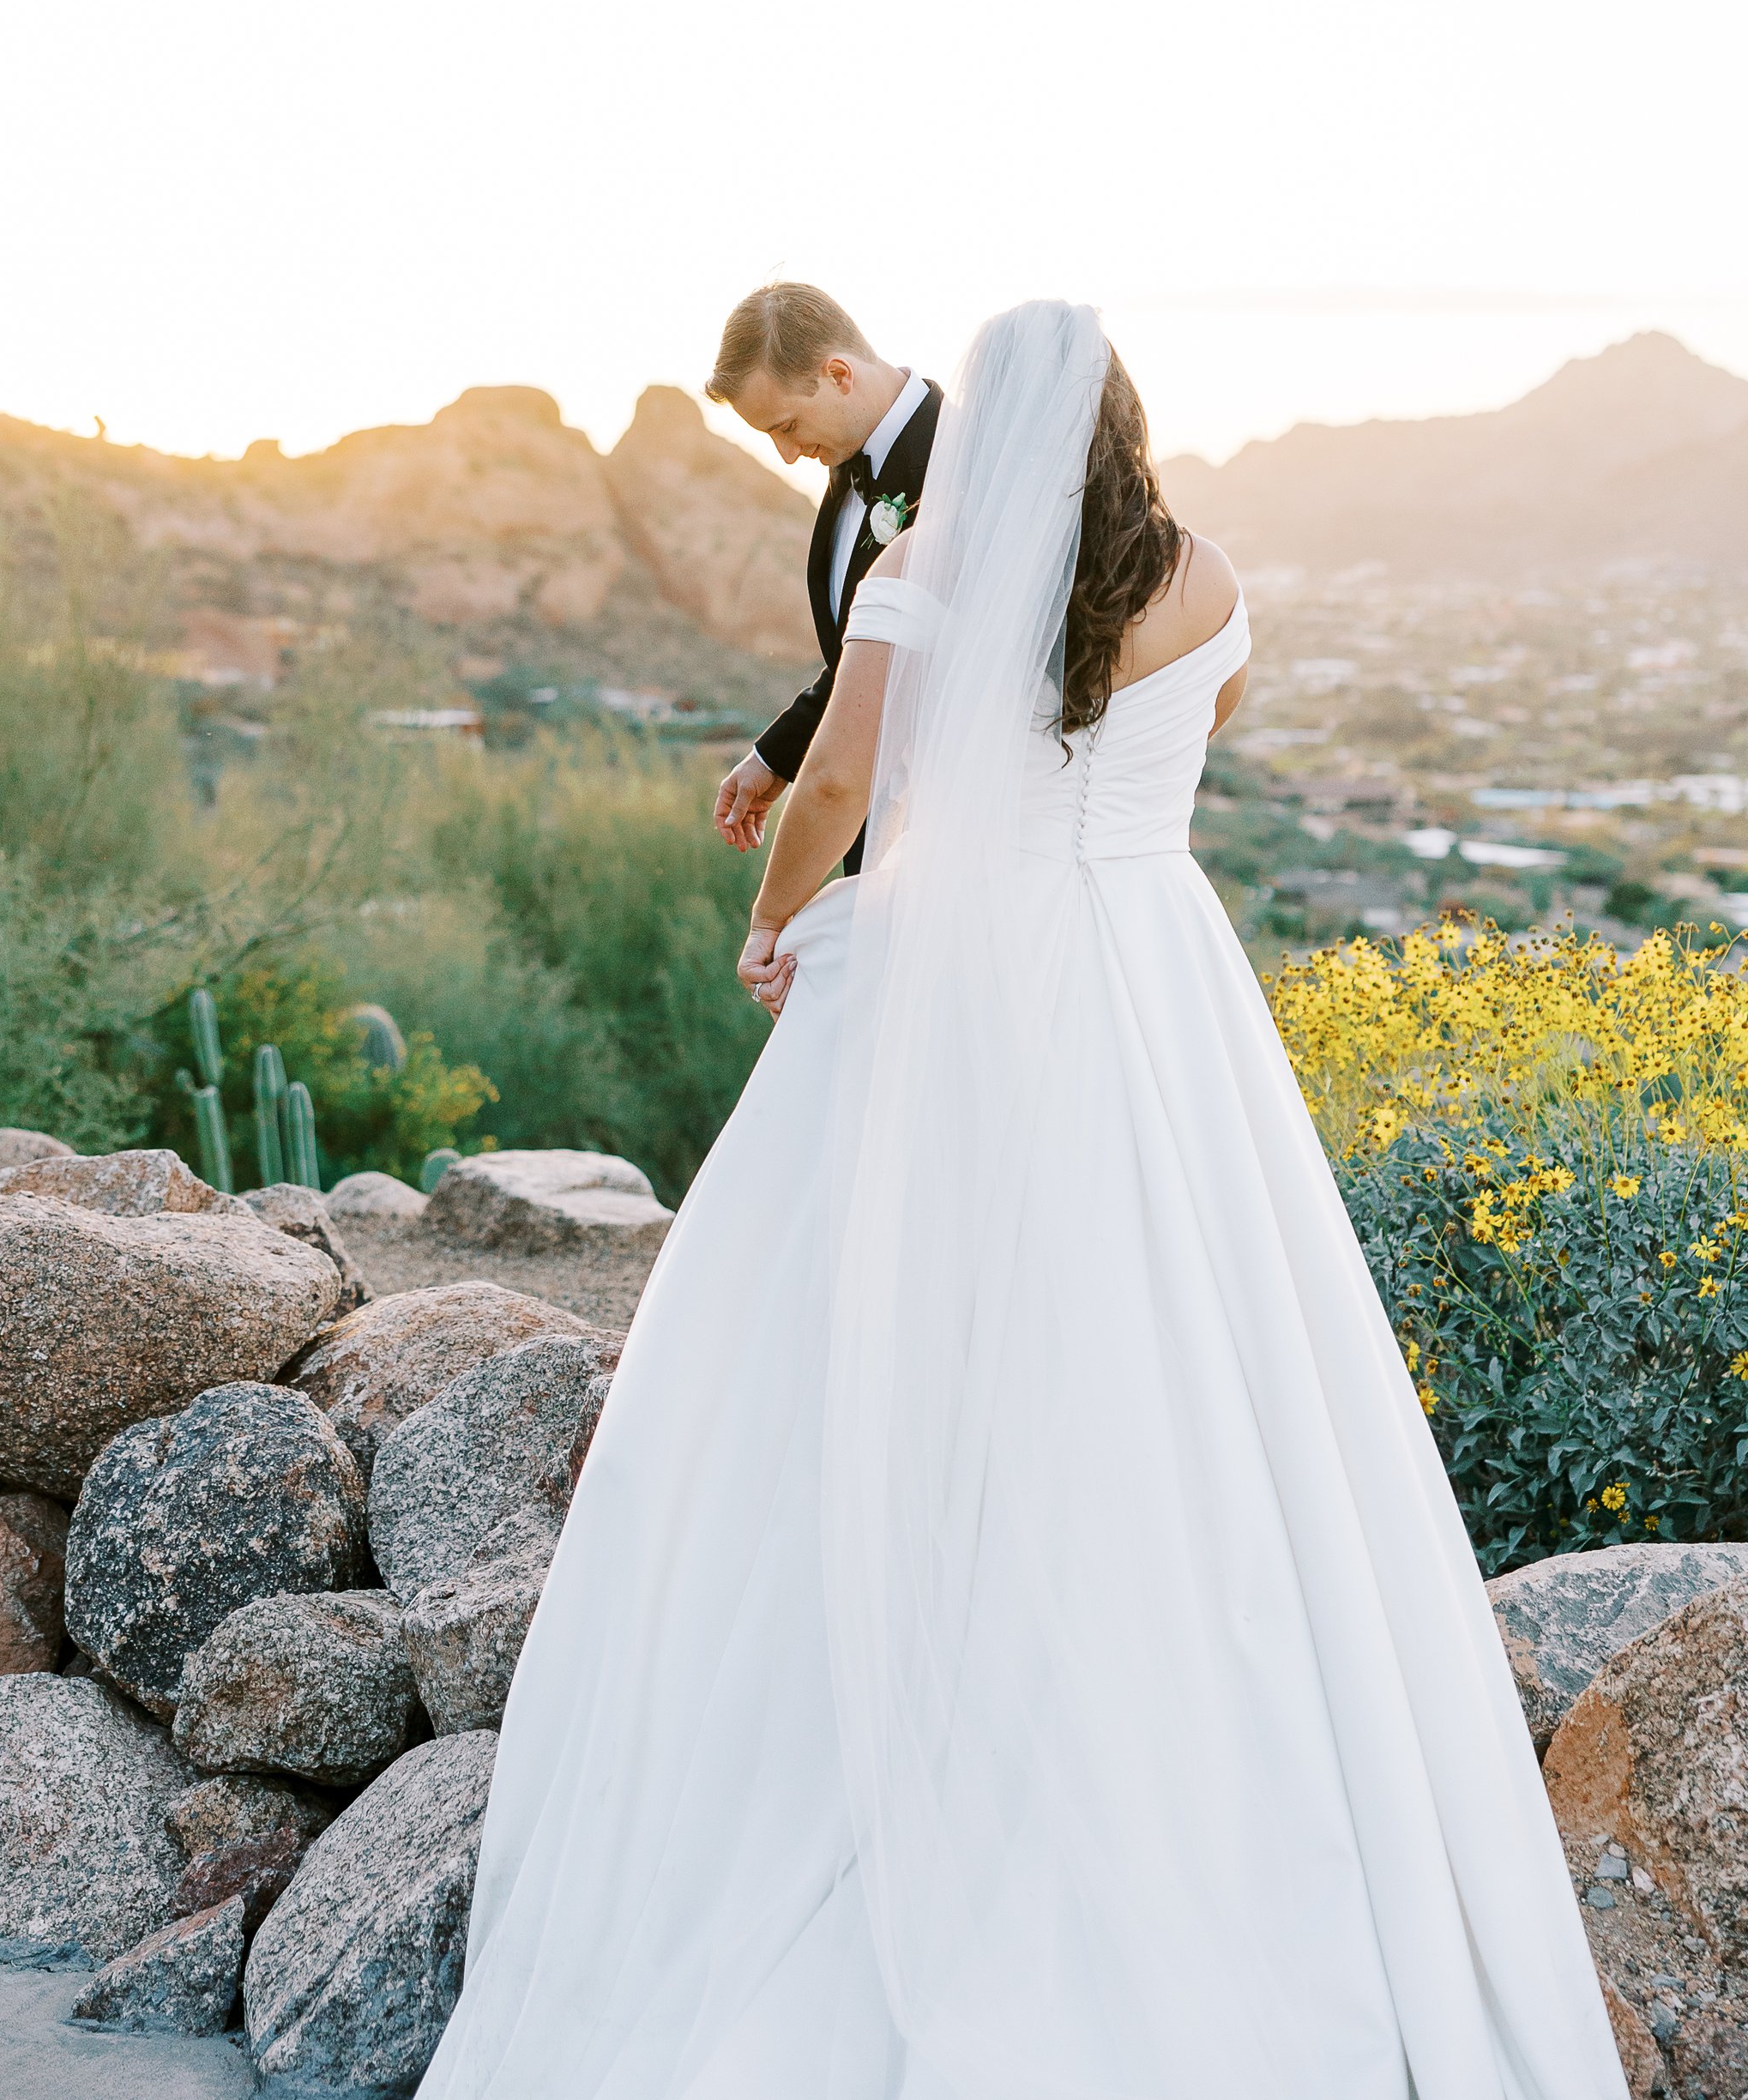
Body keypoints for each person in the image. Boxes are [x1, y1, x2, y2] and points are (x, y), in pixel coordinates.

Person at [419, 302, 1626, 2100]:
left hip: (964, 982)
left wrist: (774, 924)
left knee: (902, 1331)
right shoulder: (1207, 574)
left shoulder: (930, 563)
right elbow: (1189, 730)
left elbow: (840, 773)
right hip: (1154, 973)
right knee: (1186, 1353)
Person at [703, 281, 940, 871]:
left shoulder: (960, 462)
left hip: (944, 842)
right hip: (871, 847)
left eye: (786, 426)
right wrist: (775, 755)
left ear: (839, 374)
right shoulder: (842, 459)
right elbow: (865, 661)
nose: (786, 454)